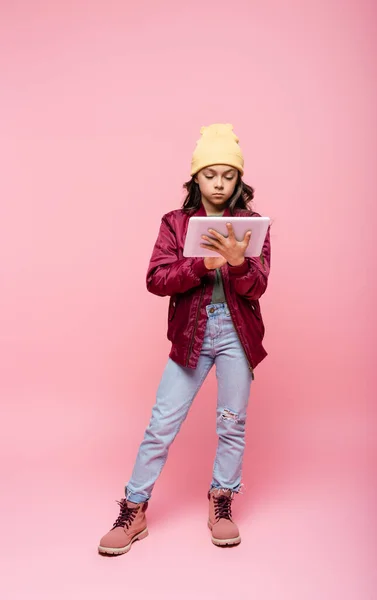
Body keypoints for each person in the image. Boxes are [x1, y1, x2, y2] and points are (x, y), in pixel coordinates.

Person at [98, 123, 271, 555]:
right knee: (161, 426)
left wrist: (236, 265)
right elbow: (156, 279)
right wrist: (201, 263)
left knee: (232, 424)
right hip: (191, 336)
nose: (218, 182)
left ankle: (222, 501)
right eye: (209, 174)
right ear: (196, 177)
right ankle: (133, 508)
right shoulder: (175, 223)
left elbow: (259, 286)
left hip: (237, 336)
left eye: (227, 175)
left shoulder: (252, 225)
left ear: (238, 180)